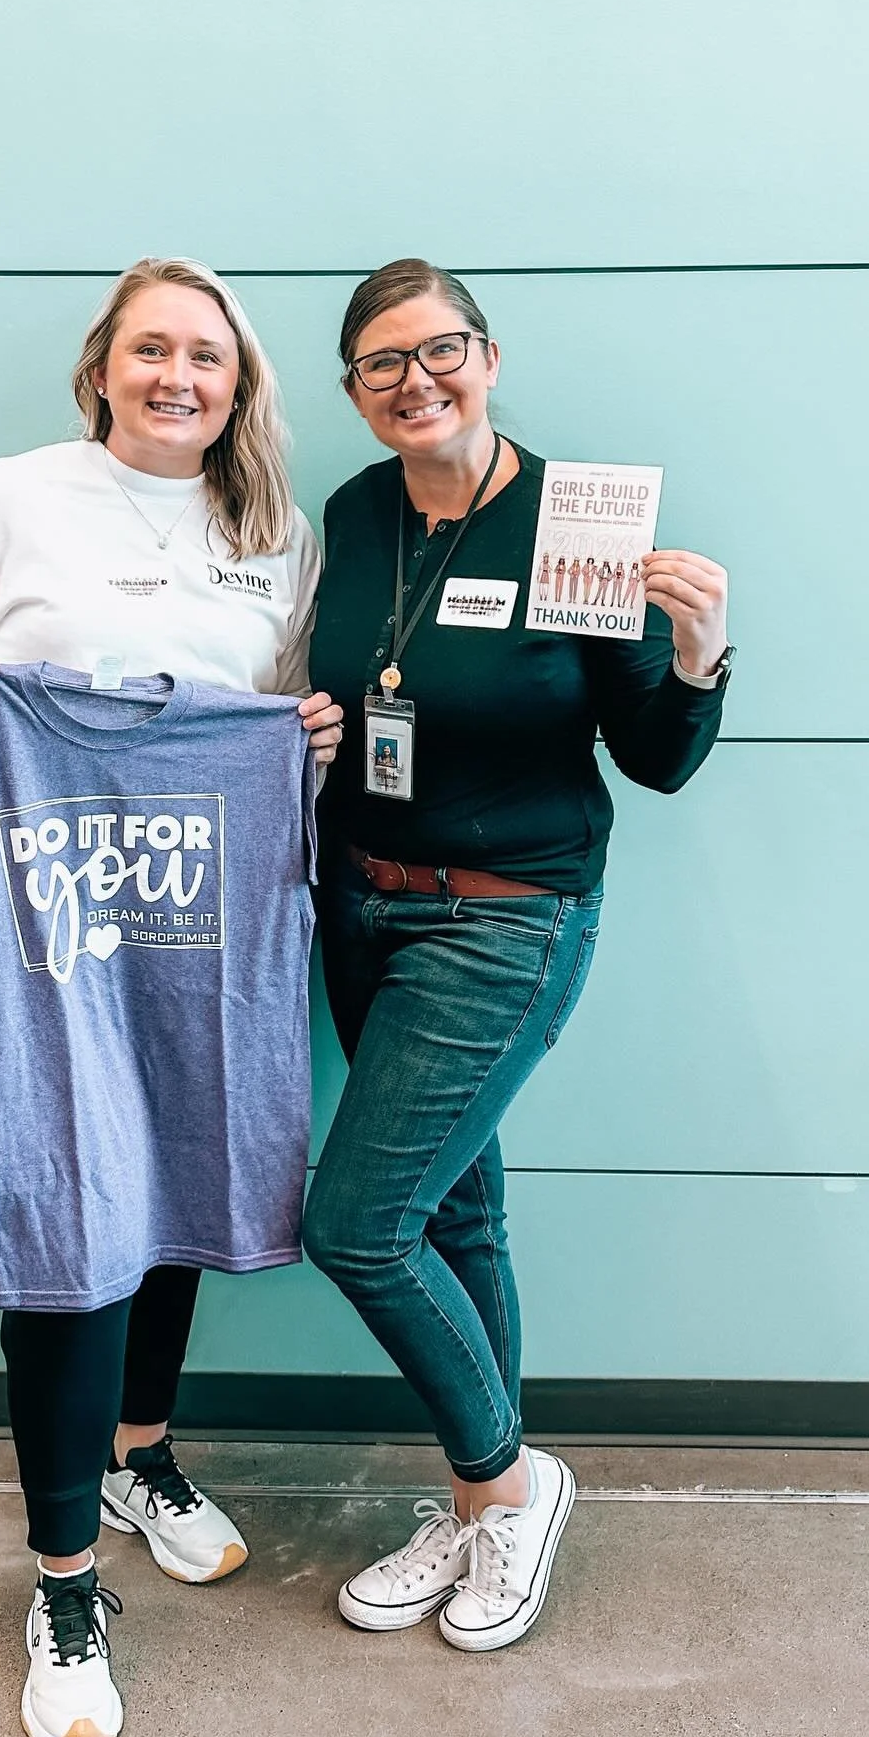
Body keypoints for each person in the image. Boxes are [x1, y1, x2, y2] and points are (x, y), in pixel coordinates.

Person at [0, 257, 342, 1737]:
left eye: (206, 356)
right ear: (102, 365)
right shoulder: (6, 496)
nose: (178, 375)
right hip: (42, 920)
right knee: (66, 1203)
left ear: (238, 382)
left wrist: (311, 740)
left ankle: (142, 1454)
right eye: (152, 348)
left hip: (201, 921)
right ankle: (65, 1580)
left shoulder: (270, 532)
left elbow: (275, 719)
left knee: (179, 1176)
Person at [304, 258, 730, 1653]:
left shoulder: (576, 524)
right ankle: (480, 1500)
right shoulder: (358, 515)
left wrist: (699, 649)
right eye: (383, 364)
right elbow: (345, 687)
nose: (416, 381)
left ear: (489, 357)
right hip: (361, 906)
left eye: (441, 351)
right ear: (359, 396)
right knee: (455, 1215)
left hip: (507, 916)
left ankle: (509, 1479)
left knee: (357, 1224)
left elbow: (655, 760)